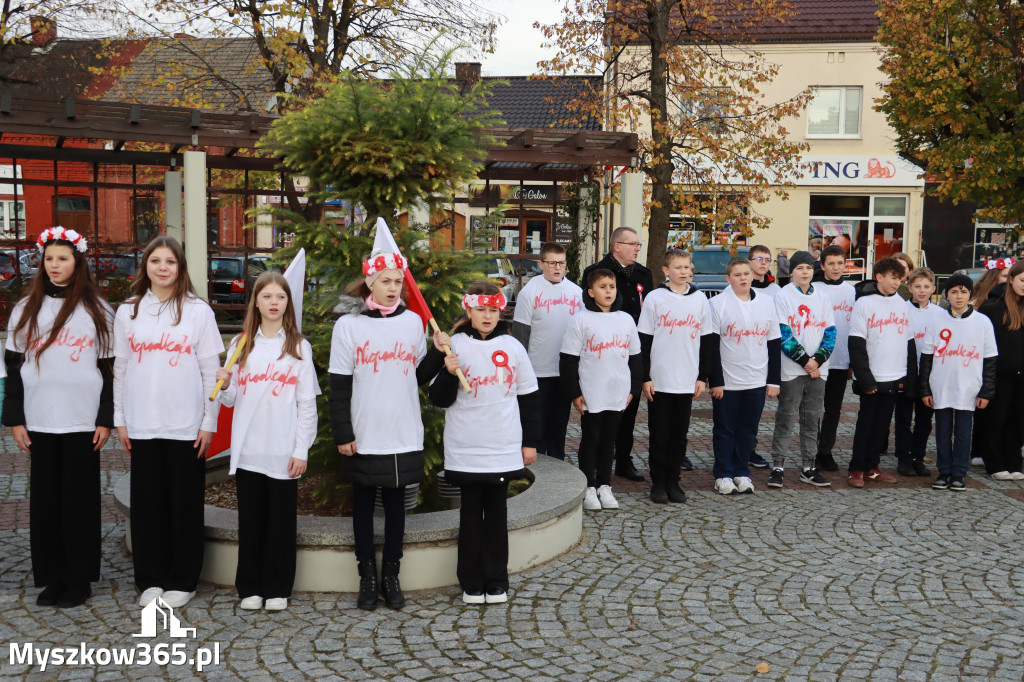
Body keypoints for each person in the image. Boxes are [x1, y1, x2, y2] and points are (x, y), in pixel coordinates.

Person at [330, 249, 448, 610]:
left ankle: (391, 575)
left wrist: (439, 354)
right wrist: (343, 433)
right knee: (363, 505)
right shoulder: (348, 326)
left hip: (402, 429)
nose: (394, 287)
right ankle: (367, 576)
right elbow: (339, 387)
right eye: (386, 281)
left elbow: (417, 376)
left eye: (398, 281)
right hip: (365, 431)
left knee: (397, 506)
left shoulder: (412, 322)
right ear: (370, 283)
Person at [2, 226, 112, 608]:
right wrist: (15, 418)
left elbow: (110, 368)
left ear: (77, 261)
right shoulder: (25, 309)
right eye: (49, 259)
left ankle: (79, 577)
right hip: (40, 420)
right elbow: (13, 366)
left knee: (79, 501)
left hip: (83, 421)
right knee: (46, 500)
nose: (55, 265)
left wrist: (105, 418)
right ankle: (52, 576)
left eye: (63, 258)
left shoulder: (97, 310)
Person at [114, 236, 224, 609]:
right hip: (142, 422)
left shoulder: (198, 312)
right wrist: (120, 420)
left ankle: (183, 578)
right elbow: (122, 368)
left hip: (186, 424)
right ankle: (150, 578)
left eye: (170, 262)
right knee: (148, 505)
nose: (163, 267)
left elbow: (213, 372)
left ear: (181, 267)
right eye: (155, 261)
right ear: (145, 266)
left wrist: (209, 422)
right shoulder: (128, 311)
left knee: (183, 504)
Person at [428, 282, 540, 605]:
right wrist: (449, 371)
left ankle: (496, 580)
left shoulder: (513, 346)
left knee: (497, 516)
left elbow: (529, 398)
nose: (488, 316)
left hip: (502, 447)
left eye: (493, 310)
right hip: (466, 448)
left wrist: (530, 442)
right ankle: (471, 581)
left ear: (500, 311)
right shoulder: (455, 345)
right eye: (481, 310)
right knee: (470, 516)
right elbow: (438, 398)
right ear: (469, 312)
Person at [216, 272, 317, 612]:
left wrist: (301, 449)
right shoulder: (241, 345)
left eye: (281, 297)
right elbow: (229, 401)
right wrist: (226, 382)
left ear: (288, 303)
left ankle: (277, 587)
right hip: (249, 452)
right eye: (267, 296)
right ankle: (250, 586)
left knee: (281, 525)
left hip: (282, 451)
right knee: (251, 522)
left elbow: (307, 406)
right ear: (256, 301)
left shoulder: (299, 347)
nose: (274, 303)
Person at [560, 269, 641, 511]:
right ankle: (589, 487)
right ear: (591, 292)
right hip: (591, 391)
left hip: (617, 391)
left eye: (612, 286)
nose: (608, 291)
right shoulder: (581, 319)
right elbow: (568, 359)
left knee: (609, 440)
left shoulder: (625, 319)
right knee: (591, 439)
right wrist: (574, 392)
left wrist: (633, 389)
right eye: (603, 286)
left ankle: (605, 484)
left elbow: (636, 358)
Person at [637, 249, 711, 503]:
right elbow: (643, 340)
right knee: (658, 435)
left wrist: (702, 376)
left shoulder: (700, 299)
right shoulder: (655, 298)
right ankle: (658, 483)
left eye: (687, 267)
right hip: (660, 378)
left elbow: (707, 340)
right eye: (678, 267)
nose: (684, 272)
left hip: (687, 379)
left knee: (679, 436)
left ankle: (673, 481)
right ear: (666, 270)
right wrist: (644, 376)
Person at [581, 226, 652, 481]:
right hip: (602, 351)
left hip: (631, 348)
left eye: (638, 245)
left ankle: (623, 459)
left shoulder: (644, 274)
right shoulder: (595, 273)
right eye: (632, 244)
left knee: (628, 409)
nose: (637, 249)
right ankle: (597, 466)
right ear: (616, 246)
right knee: (598, 417)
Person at [708, 257, 781, 495]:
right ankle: (723, 474)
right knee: (725, 429)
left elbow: (773, 343)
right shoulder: (718, 304)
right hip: (728, 381)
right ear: (728, 279)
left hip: (757, 379)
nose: (743, 278)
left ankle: (741, 472)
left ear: (752, 275)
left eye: (746, 274)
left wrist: (773, 380)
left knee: (748, 430)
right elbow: (712, 346)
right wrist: (716, 381)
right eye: (737, 275)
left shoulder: (767, 303)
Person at [918, 274, 997, 491]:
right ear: (945, 294)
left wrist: (986, 392)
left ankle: (959, 473)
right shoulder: (936, 321)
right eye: (954, 291)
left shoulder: (982, 322)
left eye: (963, 291)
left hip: (970, 388)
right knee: (942, 432)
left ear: (970, 294)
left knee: (964, 433)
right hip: (941, 386)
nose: (959, 296)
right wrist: (925, 387)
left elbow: (990, 361)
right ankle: (944, 472)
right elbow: (926, 359)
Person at [767, 250, 836, 488]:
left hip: (818, 370)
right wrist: (805, 361)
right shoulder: (783, 296)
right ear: (791, 271)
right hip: (792, 369)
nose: (804, 272)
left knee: (811, 419)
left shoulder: (823, 297)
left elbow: (830, 333)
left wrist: (817, 360)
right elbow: (783, 333)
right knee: (786, 417)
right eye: (799, 268)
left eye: (808, 268)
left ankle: (809, 466)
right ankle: (778, 466)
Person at [847, 257, 917, 488]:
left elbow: (908, 342)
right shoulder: (864, 303)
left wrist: (908, 376)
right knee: (866, 423)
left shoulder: (902, 303)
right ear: (879, 277)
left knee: (882, 425)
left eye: (900, 278)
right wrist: (865, 378)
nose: (897, 283)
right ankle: (856, 469)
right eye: (893, 278)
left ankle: (872, 467)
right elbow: (856, 343)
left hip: (895, 375)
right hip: (872, 375)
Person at [511, 242, 583, 461]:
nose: (557, 268)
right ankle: (538, 470)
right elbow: (520, 336)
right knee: (537, 427)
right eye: (551, 263)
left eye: (561, 263)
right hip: (537, 372)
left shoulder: (576, 292)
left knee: (559, 427)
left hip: (564, 372)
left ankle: (558, 468)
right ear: (540, 264)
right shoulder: (529, 292)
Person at [979, 261, 1024, 480]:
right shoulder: (992, 307)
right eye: (1022, 280)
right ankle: (995, 464)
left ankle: (1014, 463)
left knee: (1017, 419)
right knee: (997, 419)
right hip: (999, 374)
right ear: (1012, 280)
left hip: (1021, 375)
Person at [894, 267, 941, 477]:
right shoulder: (901, 309)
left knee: (924, 419)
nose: (922, 291)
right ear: (909, 287)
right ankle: (903, 458)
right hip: (905, 372)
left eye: (926, 286)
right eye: (917, 286)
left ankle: (918, 457)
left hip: (929, 374)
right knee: (904, 418)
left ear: (933, 288)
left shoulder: (941, 314)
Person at [813, 245, 856, 472]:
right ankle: (811, 450)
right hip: (817, 360)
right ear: (822, 266)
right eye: (831, 263)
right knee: (812, 408)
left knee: (833, 409)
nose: (836, 267)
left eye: (840, 263)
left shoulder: (852, 292)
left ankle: (825, 451)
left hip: (840, 359)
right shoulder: (814, 289)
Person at [745, 244, 781, 469]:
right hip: (745, 349)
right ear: (749, 261)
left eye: (768, 259)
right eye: (759, 258)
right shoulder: (743, 285)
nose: (764, 262)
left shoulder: (775, 290)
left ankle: (752, 448)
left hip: (767, 350)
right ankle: (742, 449)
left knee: (756, 409)